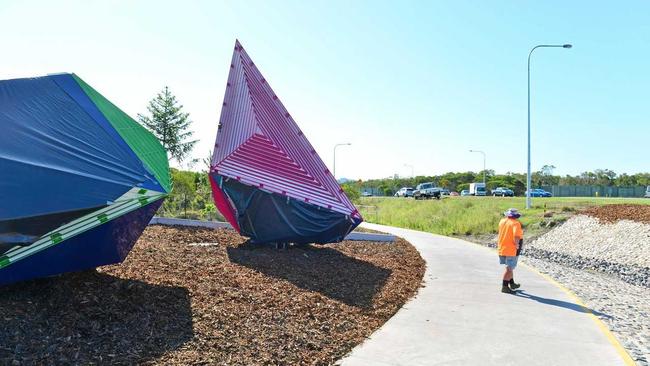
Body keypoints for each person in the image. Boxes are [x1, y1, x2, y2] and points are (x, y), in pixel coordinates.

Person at [497, 208, 523, 294]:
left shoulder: (502, 221)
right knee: (509, 268)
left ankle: (512, 283)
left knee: (509, 267)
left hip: (502, 247)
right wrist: (517, 245)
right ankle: (504, 286)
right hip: (511, 249)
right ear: (516, 216)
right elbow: (516, 236)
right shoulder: (516, 223)